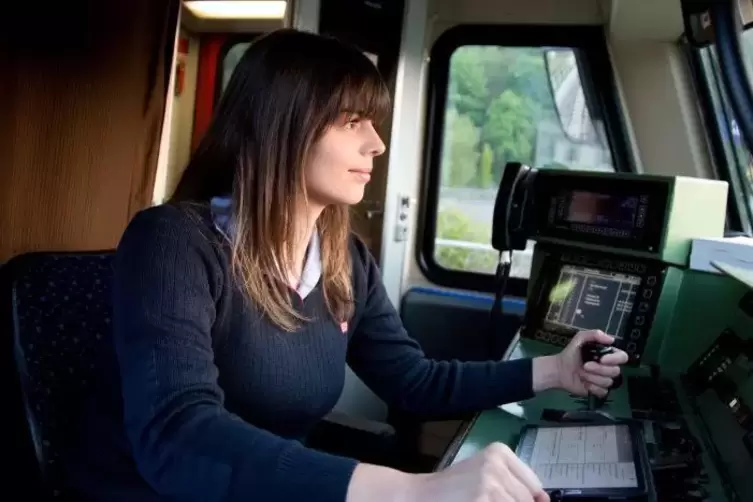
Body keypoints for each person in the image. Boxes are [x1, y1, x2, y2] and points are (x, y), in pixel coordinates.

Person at [65, 29, 628, 502]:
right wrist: (412, 491)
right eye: (352, 121)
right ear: (280, 126)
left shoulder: (343, 261)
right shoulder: (174, 243)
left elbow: (414, 380)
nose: (376, 144)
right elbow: (177, 432)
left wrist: (555, 372)